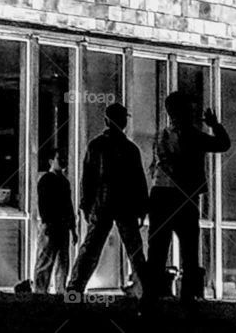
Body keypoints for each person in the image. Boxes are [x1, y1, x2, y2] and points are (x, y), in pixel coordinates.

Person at [147, 92, 230, 305]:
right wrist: (215, 125)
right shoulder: (194, 135)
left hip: (160, 194)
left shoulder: (160, 136)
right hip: (184, 195)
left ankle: (150, 299)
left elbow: (155, 166)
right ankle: (187, 298)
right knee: (189, 249)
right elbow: (223, 144)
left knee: (157, 249)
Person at [67, 104, 151, 299]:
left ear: (106, 121)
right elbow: (138, 181)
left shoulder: (96, 146)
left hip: (102, 202)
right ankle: (145, 290)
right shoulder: (130, 149)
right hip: (125, 204)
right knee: (135, 250)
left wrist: (86, 205)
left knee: (91, 248)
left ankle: (75, 288)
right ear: (123, 122)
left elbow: (88, 179)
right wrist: (142, 208)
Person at [33, 149, 77, 294]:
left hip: (59, 225)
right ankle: (46, 291)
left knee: (57, 261)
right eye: (60, 159)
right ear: (51, 161)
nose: (63, 161)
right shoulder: (50, 180)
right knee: (52, 260)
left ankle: (46, 291)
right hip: (54, 225)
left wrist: (72, 228)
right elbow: (44, 204)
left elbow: (68, 206)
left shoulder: (60, 181)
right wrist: (48, 222)